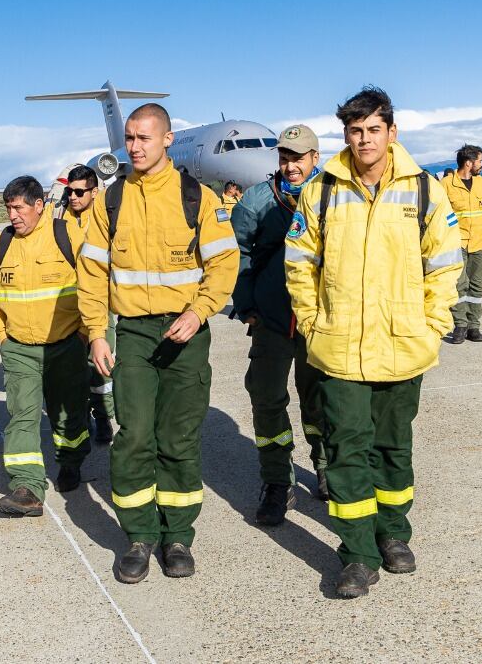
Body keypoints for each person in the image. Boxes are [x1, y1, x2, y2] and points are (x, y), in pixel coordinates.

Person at [284, 87, 462, 599]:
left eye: (372, 130)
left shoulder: (425, 190)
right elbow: (299, 263)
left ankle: (393, 533)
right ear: (346, 135)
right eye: (354, 131)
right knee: (345, 450)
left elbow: (445, 262)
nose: (363, 140)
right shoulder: (321, 191)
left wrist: (433, 323)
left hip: (405, 343)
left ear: (391, 132)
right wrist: (315, 322)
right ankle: (357, 553)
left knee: (393, 447)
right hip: (338, 347)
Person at [78, 103, 239, 584]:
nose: (135, 146)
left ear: (168, 139)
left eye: (144, 137)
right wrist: (95, 333)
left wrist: (199, 310)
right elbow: (91, 274)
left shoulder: (198, 197)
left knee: (180, 438)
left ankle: (178, 537)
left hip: (185, 332)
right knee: (133, 436)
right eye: (130, 137)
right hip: (133, 332)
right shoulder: (111, 200)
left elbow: (224, 263)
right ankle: (140, 535)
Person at [230, 123, 329, 526]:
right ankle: (276, 481)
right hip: (271, 319)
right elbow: (238, 253)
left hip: (318, 321)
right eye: (285, 158)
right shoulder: (256, 199)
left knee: (322, 400)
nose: (291, 166)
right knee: (267, 399)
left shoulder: (331, 196)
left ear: (314, 159)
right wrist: (246, 304)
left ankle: (326, 469)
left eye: (298, 158)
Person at [0, 175, 90, 516]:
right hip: (19, 349)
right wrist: (2, 336)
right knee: (22, 416)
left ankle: (71, 460)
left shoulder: (67, 236)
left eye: (19, 208)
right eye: (8, 208)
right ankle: (27, 486)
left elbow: (93, 286)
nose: (13, 215)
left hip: (66, 345)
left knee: (67, 413)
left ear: (39, 206)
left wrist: (86, 335)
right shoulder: (3, 243)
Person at [62, 164, 115, 443]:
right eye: (69, 191)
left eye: (80, 192)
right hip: (69, 306)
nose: (73, 197)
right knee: (73, 369)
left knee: (101, 368)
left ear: (95, 192)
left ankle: (104, 417)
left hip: (100, 302)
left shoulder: (106, 217)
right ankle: (81, 419)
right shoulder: (58, 217)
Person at [440, 145, 482, 344]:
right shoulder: (446, 184)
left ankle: (474, 326)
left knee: (477, 285)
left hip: (479, 242)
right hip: (456, 242)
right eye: (480, 161)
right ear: (469, 163)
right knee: (459, 285)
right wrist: (452, 228)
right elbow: (440, 213)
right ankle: (460, 325)